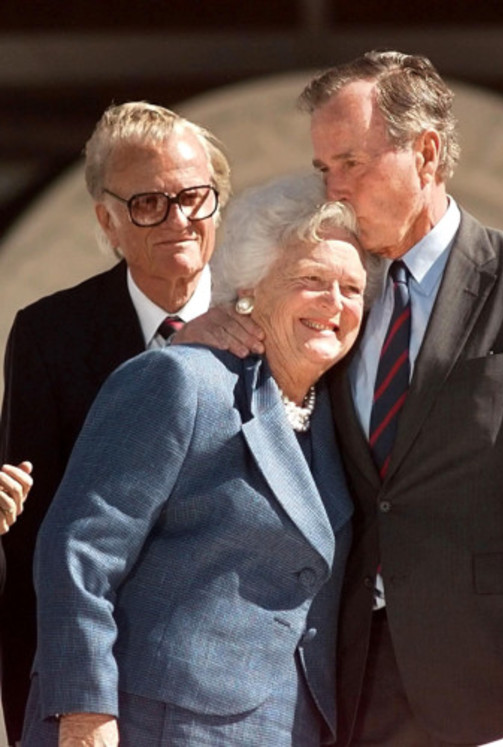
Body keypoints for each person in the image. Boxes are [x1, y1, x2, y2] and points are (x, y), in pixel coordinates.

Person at [177, 51, 503, 745]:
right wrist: (222, 317)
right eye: (323, 169)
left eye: (351, 163)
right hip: (360, 679)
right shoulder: (339, 297)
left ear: (425, 154)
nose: (333, 190)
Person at [21, 173, 372, 746]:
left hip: (286, 729)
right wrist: (84, 711)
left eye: (352, 289)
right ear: (252, 287)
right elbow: (80, 548)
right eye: (311, 280)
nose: (334, 304)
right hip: (153, 726)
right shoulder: (181, 381)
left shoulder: (339, 418)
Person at [0, 100, 231, 744]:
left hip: (238, 687)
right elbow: (33, 539)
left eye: (195, 197)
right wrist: (32, 701)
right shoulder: (52, 336)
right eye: (150, 204)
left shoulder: (269, 320)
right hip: (102, 691)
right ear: (108, 220)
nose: (180, 219)